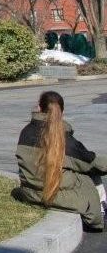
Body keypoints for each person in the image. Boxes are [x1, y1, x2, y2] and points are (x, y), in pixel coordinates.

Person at [14, 91, 107, 232]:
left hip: (29, 194)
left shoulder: (25, 132)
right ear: (61, 113)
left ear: (39, 108)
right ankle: (101, 215)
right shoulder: (65, 140)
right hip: (56, 197)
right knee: (90, 174)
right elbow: (97, 165)